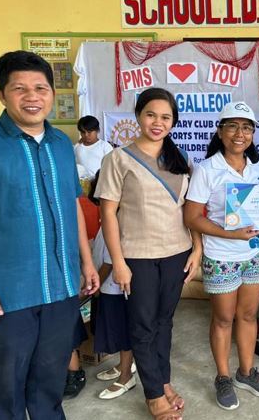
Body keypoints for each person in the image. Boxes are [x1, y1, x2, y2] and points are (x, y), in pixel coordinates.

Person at [0, 50, 100, 420]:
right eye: (19, 88)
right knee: (7, 389)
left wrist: (86, 263)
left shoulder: (60, 144)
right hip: (7, 294)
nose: (32, 97)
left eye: (40, 88)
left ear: (52, 93)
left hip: (61, 288)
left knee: (50, 383)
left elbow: (72, 205)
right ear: (2, 95)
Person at [96, 87, 200, 420]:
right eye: (151, 115)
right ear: (138, 116)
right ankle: (153, 394)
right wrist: (118, 263)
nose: (158, 122)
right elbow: (107, 214)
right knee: (142, 325)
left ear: (173, 122)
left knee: (164, 322)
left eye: (165, 117)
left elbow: (190, 210)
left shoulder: (180, 158)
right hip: (137, 256)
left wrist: (197, 248)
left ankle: (163, 381)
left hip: (177, 252)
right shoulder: (118, 159)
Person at [185, 101, 259, 411]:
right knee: (224, 318)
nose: (240, 133)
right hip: (221, 255)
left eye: (247, 127)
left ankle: (246, 372)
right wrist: (231, 234)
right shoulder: (207, 169)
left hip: (254, 254)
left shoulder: (258, 168)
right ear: (220, 131)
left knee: (248, 315)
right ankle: (223, 376)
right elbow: (191, 217)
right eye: (233, 126)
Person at [88, 172, 137, 401]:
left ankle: (126, 376)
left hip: (116, 287)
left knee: (123, 332)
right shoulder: (106, 215)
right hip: (108, 286)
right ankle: (122, 366)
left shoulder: (118, 218)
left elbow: (110, 260)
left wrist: (96, 283)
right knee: (117, 330)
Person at [74, 115, 113, 180]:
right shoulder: (77, 147)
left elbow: (111, 167)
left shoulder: (105, 146)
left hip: (99, 182)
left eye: (89, 132)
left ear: (97, 130)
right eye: (83, 132)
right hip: (82, 183)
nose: (86, 135)